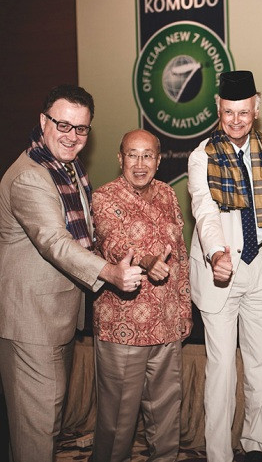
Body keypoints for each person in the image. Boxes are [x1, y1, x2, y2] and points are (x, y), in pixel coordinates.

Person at [0, 85, 143, 462]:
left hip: (55, 318)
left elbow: (88, 233)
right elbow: (54, 241)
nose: (71, 136)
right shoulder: (30, 176)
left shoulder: (68, 168)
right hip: (32, 322)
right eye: (63, 125)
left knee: (40, 426)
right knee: (38, 431)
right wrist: (110, 272)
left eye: (81, 128)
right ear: (43, 121)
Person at [188, 71, 262, 462]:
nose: (236, 120)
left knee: (261, 365)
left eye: (243, 112)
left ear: (256, 110)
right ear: (218, 109)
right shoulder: (202, 156)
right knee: (222, 369)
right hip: (221, 269)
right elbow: (204, 210)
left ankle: (255, 447)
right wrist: (216, 253)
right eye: (229, 112)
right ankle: (219, 455)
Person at [90, 129, 192, 461]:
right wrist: (147, 261)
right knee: (117, 423)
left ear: (158, 161)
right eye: (132, 155)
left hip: (166, 323)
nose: (139, 163)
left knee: (166, 417)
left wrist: (184, 310)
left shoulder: (167, 194)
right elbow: (112, 242)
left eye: (147, 156)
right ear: (120, 158)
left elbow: (180, 255)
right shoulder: (104, 197)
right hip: (123, 326)